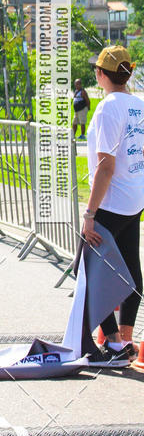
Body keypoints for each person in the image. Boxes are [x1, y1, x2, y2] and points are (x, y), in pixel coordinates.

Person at [81, 46, 144, 367]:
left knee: (95, 273)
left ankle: (115, 346)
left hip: (111, 202)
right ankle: (127, 340)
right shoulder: (139, 105)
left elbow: (105, 167)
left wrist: (89, 214)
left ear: (101, 74)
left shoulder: (107, 109)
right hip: (134, 199)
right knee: (131, 268)